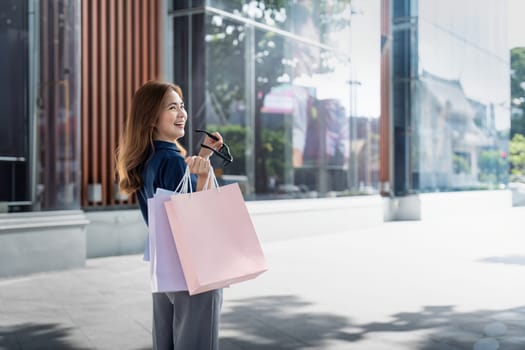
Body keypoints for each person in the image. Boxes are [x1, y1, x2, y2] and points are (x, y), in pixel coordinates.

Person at [116, 80, 224, 350]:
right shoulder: (174, 160)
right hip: (194, 269)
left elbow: (170, 209)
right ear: (152, 117)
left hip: (165, 270)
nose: (182, 114)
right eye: (172, 107)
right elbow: (193, 221)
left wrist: (203, 157)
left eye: (182, 106)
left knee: (166, 342)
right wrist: (203, 176)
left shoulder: (147, 158)